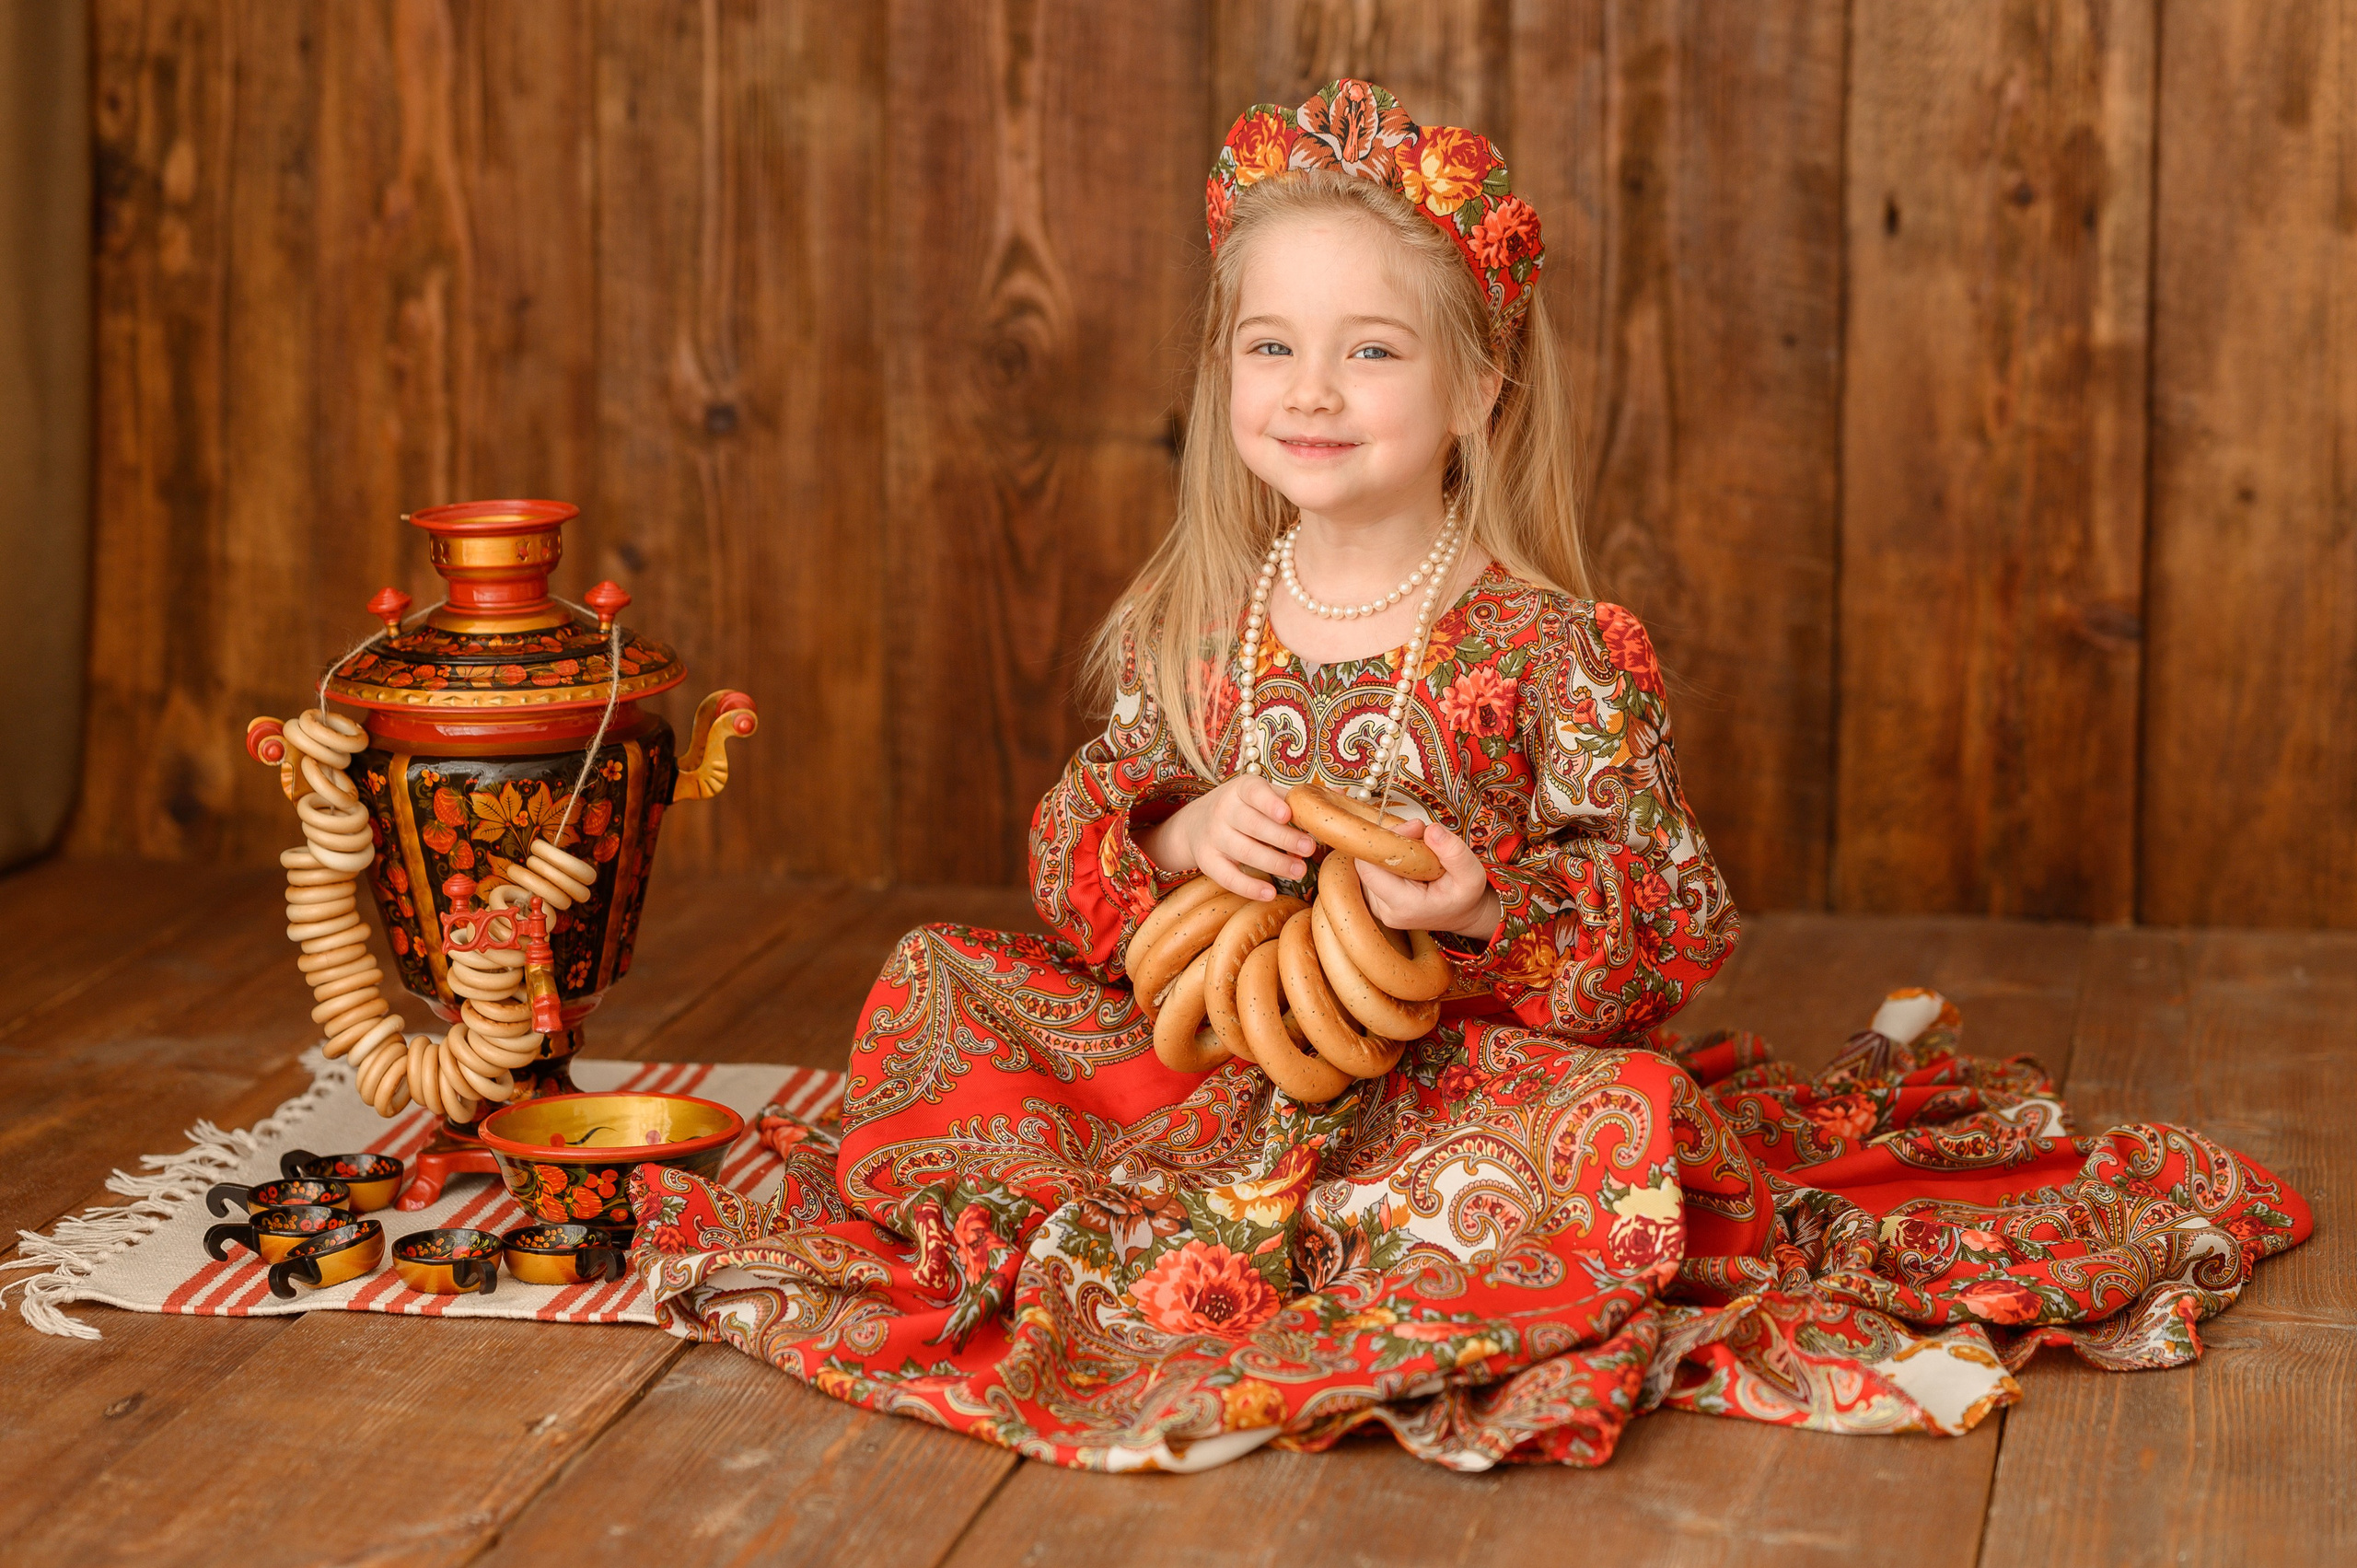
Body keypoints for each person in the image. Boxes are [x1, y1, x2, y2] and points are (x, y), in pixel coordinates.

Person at [633, 79, 2309, 1472]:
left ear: (1479, 390)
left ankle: (1353, 1245)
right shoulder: (1201, 620)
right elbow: (1082, 825)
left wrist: (1489, 905)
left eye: (1370, 352)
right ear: (1223, 375)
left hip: (1456, 1084)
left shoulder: (1550, 648)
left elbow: (1673, 905)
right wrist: (1175, 825)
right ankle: (1167, 1207)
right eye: (1268, 348)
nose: (1308, 390)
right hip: (1215, 1060)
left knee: (1608, 1125)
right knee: (944, 986)